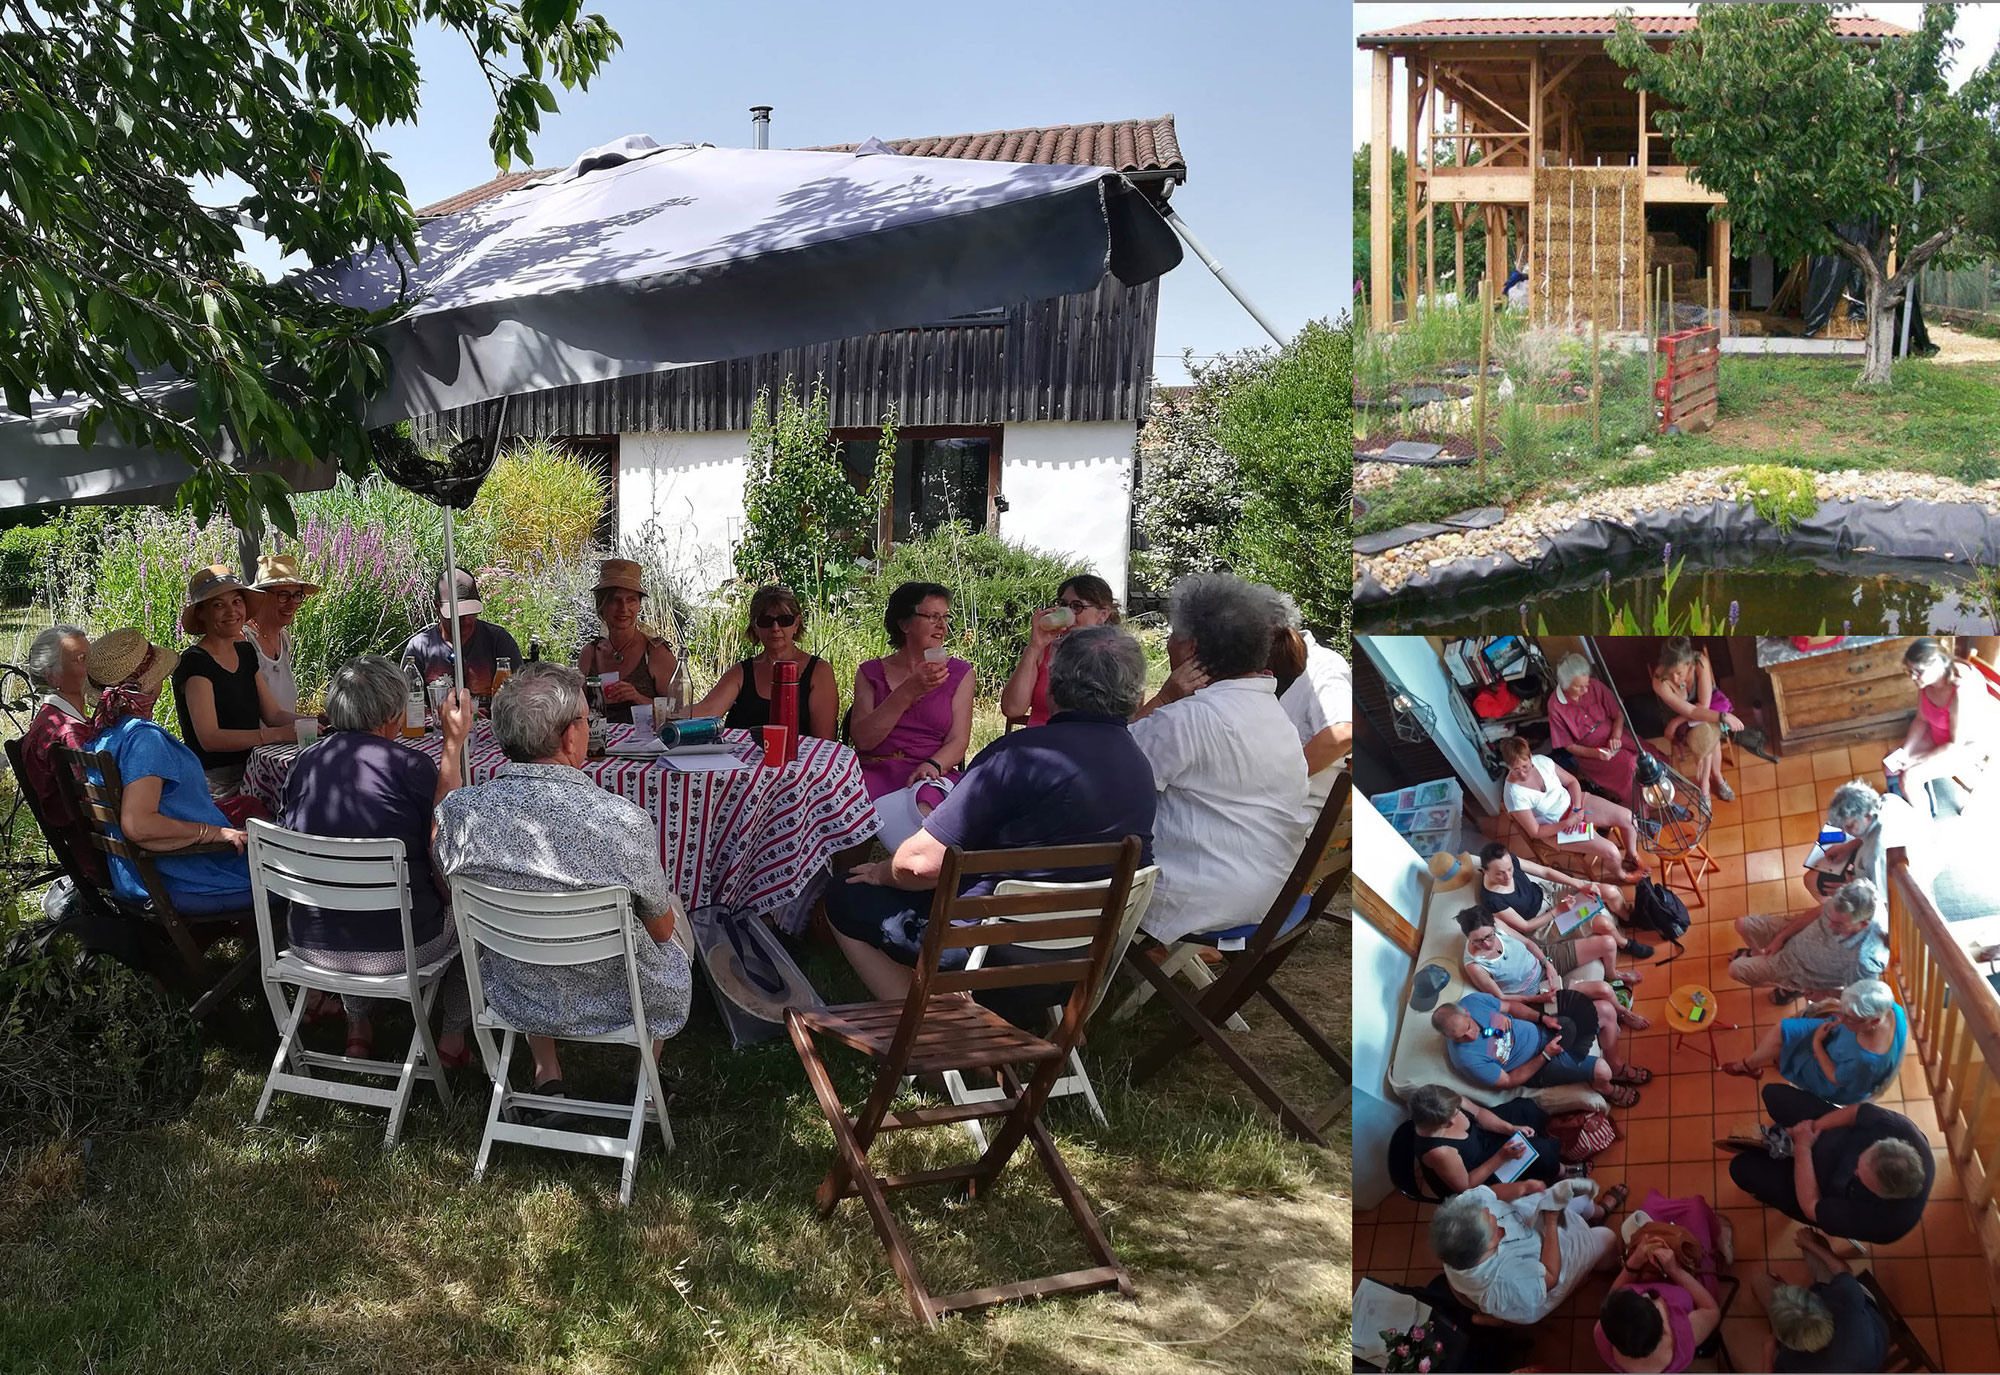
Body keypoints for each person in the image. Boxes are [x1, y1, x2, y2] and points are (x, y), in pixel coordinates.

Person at [826, 626, 1155, 1026]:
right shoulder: (1139, 767)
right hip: (1080, 958)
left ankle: (931, 1033)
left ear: (1054, 689)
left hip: (991, 952)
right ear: (1136, 698)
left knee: (843, 893)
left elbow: (920, 866)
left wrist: (880, 871)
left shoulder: (1020, 755)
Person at [434, 662, 691, 1111]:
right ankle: (645, 1083)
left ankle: (546, 1072)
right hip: (616, 996)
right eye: (585, 720)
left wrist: (452, 749)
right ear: (570, 737)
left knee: (529, 925)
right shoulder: (621, 822)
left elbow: (440, 850)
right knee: (674, 917)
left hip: (517, 988)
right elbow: (662, 933)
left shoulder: (466, 814)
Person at [280, 656, 476, 1065]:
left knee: (348, 892)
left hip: (309, 944)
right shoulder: (410, 767)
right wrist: (452, 747)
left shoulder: (303, 764)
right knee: (476, 912)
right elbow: (448, 844)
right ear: (393, 714)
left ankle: (357, 1025)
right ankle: (452, 1041)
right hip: (398, 949)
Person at [1127, 574, 1308, 945]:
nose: (1166, 643)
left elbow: (1106, 771)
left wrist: (1162, 699)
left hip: (1205, 900)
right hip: (1273, 892)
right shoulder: (1273, 713)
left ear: (1190, 649)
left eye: (1172, 634)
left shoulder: (1186, 720)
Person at [83, 629, 252, 913]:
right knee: (299, 874)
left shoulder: (103, 736)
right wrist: (213, 833)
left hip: (137, 876)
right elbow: (138, 824)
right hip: (186, 878)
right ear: (151, 684)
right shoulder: (143, 740)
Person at [1725, 1085, 1933, 1243]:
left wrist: (1803, 1148)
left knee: (1740, 1169)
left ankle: (1769, 1193)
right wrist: (1811, 1128)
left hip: (1815, 1189)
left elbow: (1811, 1206)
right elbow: (1855, 1113)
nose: (1856, 1170)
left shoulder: (1882, 1223)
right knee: (1772, 1094)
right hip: (1825, 1134)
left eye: (1862, 1176)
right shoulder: (1902, 1130)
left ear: (1881, 1195)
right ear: (1886, 1143)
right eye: (1863, 1158)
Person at [173, 564, 297, 802]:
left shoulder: (245, 651)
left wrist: (321, 724)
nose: (231, 612)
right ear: (201, 613)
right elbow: (209, 738)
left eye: (237, 602)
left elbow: (273, 714)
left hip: (257, 768)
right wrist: (275, 736)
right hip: (219, 784)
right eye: (218, 605)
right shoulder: (195, 663)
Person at [1404, 1083, 1630, 1212]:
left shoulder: (1449, 1100)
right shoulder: (1439, 1151)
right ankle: (1560, 1169)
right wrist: (1502, 1157)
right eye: (1454, 1115)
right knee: (1536, 1154)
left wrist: (1510, 1128)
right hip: (1474, 1169)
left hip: (1480, 1137)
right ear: (1444, 1124)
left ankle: (1548, 1145)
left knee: (1526, 1110)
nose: (1459, 1113)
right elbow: (1466, 1186)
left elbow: (1480, 1114)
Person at [1432, 1180, 1620, 1325]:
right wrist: (1552, 1222)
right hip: (1548, 1269)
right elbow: (1551, 1277)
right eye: (1494, 1226)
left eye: (1488, 1213)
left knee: (1580, 1195)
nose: (1495, 1216)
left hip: (1533, 1223)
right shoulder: (1506, 1283)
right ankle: (1611, 1266)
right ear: (1482, 1252)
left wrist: (1523, 1187)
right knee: (1607, 1238)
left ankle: (1594, 1214)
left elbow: (1490, 1193)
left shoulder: (1460, 1216)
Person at [851, 581, 974, 799]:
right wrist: (906, 692)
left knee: (926, 801)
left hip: (930, 772)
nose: (942, 626)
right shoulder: (870, 672)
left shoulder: (960, 673)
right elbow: (863, 740)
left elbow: (958, 740)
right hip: (874, 772)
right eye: (933, 617)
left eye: (945, 618)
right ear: (905, 624)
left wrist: (934, 764)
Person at [1457, 907, 1650, 1044]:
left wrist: (1547, 963)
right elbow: (1501, 997)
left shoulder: (1497, 924)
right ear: (1468, 938)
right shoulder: (1475, 965)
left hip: (1542, 961)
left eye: (1489, 936)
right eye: (1479, 941)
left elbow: (1527, 943)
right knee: (1604, 990)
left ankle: (1612, 974)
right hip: (1534, 992)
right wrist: (1538, 997)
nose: (1487, 944)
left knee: (1607, 942)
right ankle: (1624, 1014)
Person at [1431, 992, 1647, 1107]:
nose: (1470, 1036)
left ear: (1466, 1012)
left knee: (1604, 1010)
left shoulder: (1474, 1002)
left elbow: (1511, 1007)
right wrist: (1545, 1055)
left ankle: (1616, 1065)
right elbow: (1507, 1082)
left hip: (1543, 1031)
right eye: (1460, 1037)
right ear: (1449, 1037)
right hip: (1537, 1065)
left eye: (1468, 1027)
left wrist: (1543, 1018)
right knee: (1601, 1071)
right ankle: (1607, 1089)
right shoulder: (1465, 1059)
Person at [686, 583, 838, 739]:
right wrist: (665, 712)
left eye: (784, 620)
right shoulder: (741, 672)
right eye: (766, 621)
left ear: (796, 623)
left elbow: (824, 741)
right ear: (754, 626)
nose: (775, 628)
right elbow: (706, 712)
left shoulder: (819, 672)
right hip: (741, 761)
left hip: (801, 761)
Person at [1722, 978, 1907, 1103]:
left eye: (1848, 1018)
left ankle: (1750, 1065)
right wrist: (1827, 993)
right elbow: (1843, 1014)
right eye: (1841, 1012)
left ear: (1873, 1021)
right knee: (1782, 1030)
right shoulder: (1891, 1009)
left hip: (1831, 1076)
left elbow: (1835, 1078)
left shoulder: (1865, 1061)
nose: (1840, 1019)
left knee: (1793, 1053)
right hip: (1833, 1038)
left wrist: (1817, 1044)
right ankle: (1749, 1065)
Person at [1476, 843, 1647, 975]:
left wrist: (1579, 885)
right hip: (1541, 924)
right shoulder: (1492, 899)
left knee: (1609, 891)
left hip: (1548, 893)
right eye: (1500, 873)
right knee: (1604, 924)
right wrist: (1558, 911)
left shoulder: (1509, 859)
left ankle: (1629, 919)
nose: (1508, 876)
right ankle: (1625, 944)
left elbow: (1545, 872)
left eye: (1510, 869)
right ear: (1485, 871)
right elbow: (1525, 926)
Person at [1497, 736, 1647, 881]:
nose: (1522, 773)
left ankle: (1631, 855)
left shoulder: (1542, 761)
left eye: (1525, 766)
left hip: (1576, 804)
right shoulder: (1513, 794)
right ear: (1508, 766)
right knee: (1612, 852)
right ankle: (1622, 875)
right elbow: (1535, 832)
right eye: (1516, 769)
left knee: (1629, 818)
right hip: (1556, 828)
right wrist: (1569, 822)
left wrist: (1576, 809)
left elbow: (1572, 781)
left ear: (1530, 757)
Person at [1883, 638, 1997, 812]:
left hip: (1963, 748)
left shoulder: (1961, 689)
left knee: (1909, 778)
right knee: (1889, 763)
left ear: (1936, 664)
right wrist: (1905, 752)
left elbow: (1955, 744)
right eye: (1910, 671)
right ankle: (1904, 798)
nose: (1913, 677)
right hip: (1938, 734)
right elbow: (1921, 720)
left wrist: (1915, 761)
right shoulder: (1926, 681)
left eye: (1917, 672)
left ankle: (1924, 824)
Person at [1595, 1218, 1723, 1373]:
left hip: (1645, 1271)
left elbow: (1614, 1298)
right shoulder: (1682, 1337)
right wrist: (1675, 1270)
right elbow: (1712, 1311)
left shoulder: (1602, 1334)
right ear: (1664, 1329)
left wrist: (1634, 1261)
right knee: (1697, 1215)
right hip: (1683, 1280)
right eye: (1650, 1301)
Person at [1754, 1229, 1890, 1373]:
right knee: (1812, 1239)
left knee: (1759, 1282)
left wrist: (1768, 1352)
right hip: (1874, 1350)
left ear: (1786, 1341)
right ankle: (1810, 1244)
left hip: (1866, 1351)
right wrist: (1808, 1243)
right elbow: (1843, 1270)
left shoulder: (1789, 1362)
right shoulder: (1843, 1303)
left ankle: (1777, 1291)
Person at [1729, 879, 1886, 1002]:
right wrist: (1781, 937)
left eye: (1838, 924)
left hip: (1797, 969)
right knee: (1741, 924)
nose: (1830, 925)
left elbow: (1860, 995)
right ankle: (1761, 954)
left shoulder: (1864, 960)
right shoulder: (1855, 895)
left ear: (1863, 924)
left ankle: (1792, 988)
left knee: (1736, 970)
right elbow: (1816, 913)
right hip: (1794, 934)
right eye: (1830, 918)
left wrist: (1827, 993)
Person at [998, 573, 1120, 728]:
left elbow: (1122, 720)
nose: (1067, 612)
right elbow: (1012, 708)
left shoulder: (1117, 657)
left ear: (1103, 614)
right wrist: (1034, 646)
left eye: (1077, 606)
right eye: (1063, 604)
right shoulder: (1045, 650)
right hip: (1039, 743)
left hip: (1086, 746)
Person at [18, 624, 96, 854]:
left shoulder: (52, 720)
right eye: (82, 658)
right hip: (106, 855)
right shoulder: (67, 732)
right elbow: (99, 813)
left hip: (94, 848)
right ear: (53, 677)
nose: (93, 664)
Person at [1274, 597, 1353, 825]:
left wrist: (1278, 780)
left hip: (1297, 815)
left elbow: (1342, 732)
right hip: (1277, 808)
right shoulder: (1281, 670)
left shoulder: (1322, 666)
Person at [1801, 780, 1932, 917]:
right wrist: (1847, 846)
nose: (1846, 833)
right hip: (1913, 854)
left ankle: (1837, 913)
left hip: (1895, 888)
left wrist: (1850, 889)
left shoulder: (1877, 855)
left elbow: (1881, 901)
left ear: (1867, 816)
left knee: (1810, 880)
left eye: (1850, 826)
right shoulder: (1887, 800)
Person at [577, 558, 678, 725]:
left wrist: (637, 697)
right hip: (598, 745)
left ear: (639, 605)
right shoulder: (590, 653)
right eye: (615, 600)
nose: (623, 608)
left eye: (631, 600)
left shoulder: (655, 652)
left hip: (648, 747)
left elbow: (678, 711)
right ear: (602, 605)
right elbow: (576, 710)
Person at [1547, 652, 1654, 800]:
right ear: (1565, 685)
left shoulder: (1595, 686)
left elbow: (1619, 712)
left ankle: (1663, 792)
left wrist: (1615, 736)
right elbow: (1569, 746)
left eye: (1586, 685)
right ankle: (1642, 809)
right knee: (1630, 766)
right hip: (1591, 753)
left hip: (1615, 734)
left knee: (1646, 754)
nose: (1585, 690)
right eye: (1579, 687)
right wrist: (1596, 753)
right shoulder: (1555, 706)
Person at [404, 567, 523, 697]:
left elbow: (520, 696)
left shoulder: (498, 641)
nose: (465, 620)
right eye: (457, 615)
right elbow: (405, 702)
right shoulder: (419, 648)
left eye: (470, 612)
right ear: (437, 608)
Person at [1651, 638, 1739, 803]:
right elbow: (1691, 710)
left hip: (1706, 706)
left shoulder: (1700, 662)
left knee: (1707, 732)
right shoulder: (1659, 681)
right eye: (1670, 673)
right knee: (1707, 736)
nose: (1676, 679)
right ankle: (1714, 779)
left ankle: (1706, 784)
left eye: (1679, 673)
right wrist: (1676, 721)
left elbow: (1703, 706)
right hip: (1680, 713)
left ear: (1690, 664)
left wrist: (1676, 722)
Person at [243, 553, 318, 718]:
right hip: (258, 742)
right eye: (283, 596)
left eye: (297, 595)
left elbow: (283, 706)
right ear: (260, 597)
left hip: (286, 740)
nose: (292, 604)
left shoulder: (284, 638)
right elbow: (270, 715)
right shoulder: (244, 640)